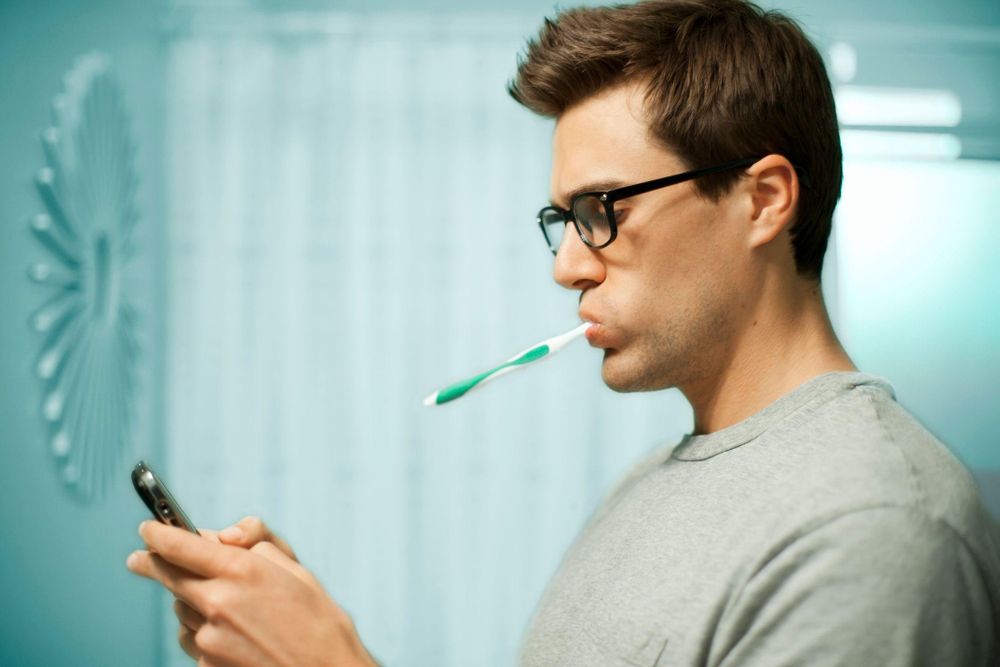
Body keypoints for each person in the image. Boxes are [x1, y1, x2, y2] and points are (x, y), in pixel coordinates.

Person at [127, 0, 1000, 665]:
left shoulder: (875, 527)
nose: (568, 266)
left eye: (602, 211)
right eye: (564, 218)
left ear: (763, 200)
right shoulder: (649, 480)